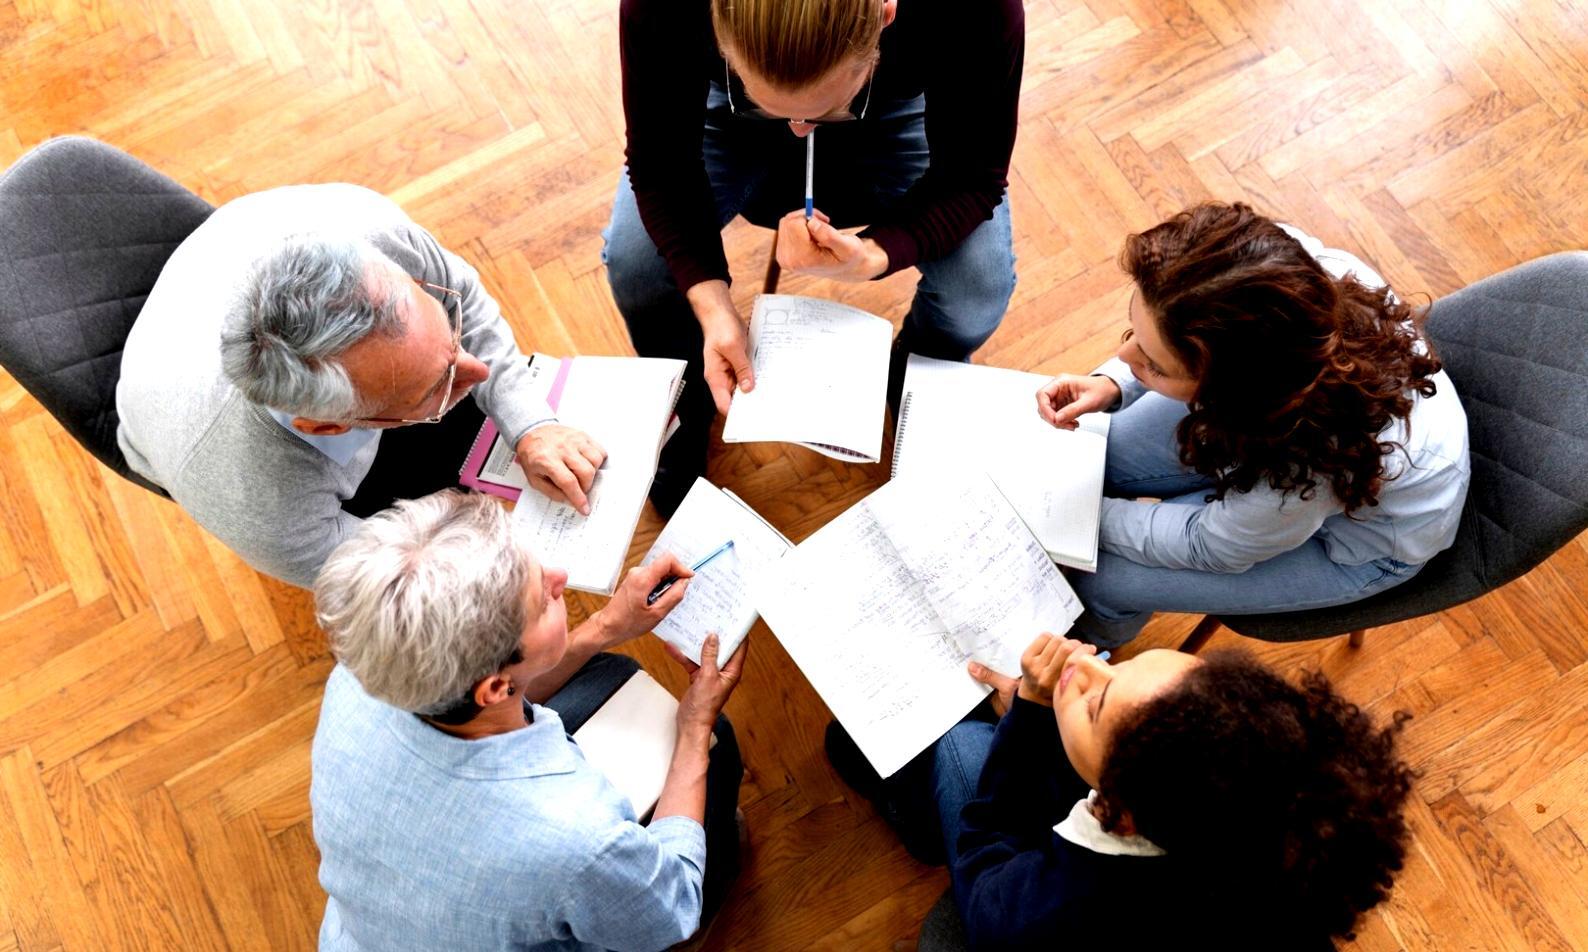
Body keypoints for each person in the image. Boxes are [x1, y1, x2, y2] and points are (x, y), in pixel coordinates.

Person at [605, 0, 1025, 514]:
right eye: (777, 109)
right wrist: (712, 304)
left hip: (897, 111)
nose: (799, 130)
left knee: (976, 288)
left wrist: (875, 254)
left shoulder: (978, 9)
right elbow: (659, 165)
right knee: (635, 265)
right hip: (727, 116)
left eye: (822, 114)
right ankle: (687, 395)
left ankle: (917, 370)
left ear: (885, 19)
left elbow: (973, 177)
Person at [309, 490, 747, 951]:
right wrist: (696, 726)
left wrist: (605, 626)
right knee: (717, 742)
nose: (560, 577)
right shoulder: (577, 839)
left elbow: (480, 703)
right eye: (541, 603)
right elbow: (671, 908)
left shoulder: (360, 676)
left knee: (608, 675)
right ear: (495, 687)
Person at [117, 183, 604, 588]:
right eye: (434, 388)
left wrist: (530, 422)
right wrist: (497, 572)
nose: (478, 369)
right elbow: (392, 578)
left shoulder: (372, 233)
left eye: (449, 335)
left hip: (215, 265)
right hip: (181, 420)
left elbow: (463, 294)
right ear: (327, 426)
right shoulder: (267, 508)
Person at [1035, 202, 1470, 645]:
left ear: (1230, 394)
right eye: (1133, 332)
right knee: (1101, 455)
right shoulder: (1267, 269)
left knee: (1105, 581)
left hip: (1362, 545)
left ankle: (1086, 650)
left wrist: (1083, 515)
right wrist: (1114, 383)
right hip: (1280, 451)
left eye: (1154, 365)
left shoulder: (1315, 461)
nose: (1124, 356)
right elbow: (1167, 329)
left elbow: (1210, 545)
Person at [831, 635, 1414, 948]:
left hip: (1010, 907)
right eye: (1125, 665)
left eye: (1096, 704)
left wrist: (1030, 720)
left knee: (961, 747)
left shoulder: (1062, 906)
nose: (1085, 668)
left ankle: (916, 825)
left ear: (1121, 813)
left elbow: (988, 891)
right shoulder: (1264, 844)